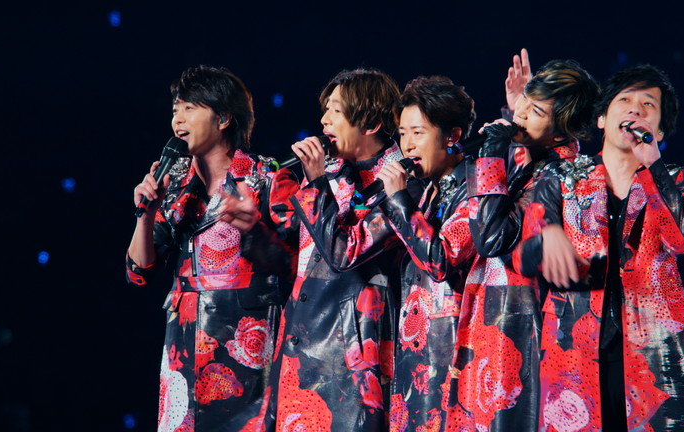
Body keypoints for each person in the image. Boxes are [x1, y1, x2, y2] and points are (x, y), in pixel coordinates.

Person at [519, 65, 684, 431]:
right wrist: (545, 236)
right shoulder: (562, 177)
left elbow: (683, 241)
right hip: (574, 353)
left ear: (659, 131)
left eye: (648, 104)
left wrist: (653, 167)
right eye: (625, 100)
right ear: (602, 118)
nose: (635, 109)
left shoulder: (676, 178)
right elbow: (525, 253)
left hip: (655, 356)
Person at [125, 66, 298, 432]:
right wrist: (147, 215)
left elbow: (294, 262)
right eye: (175, 109)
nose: (178, 119)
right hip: (183, 344)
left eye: (190, 108)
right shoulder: (174, 184)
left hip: (244, 347)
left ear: (223, 118)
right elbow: (138, 272)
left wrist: (255, 230)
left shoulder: (265, 179)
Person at [238, 68, 405, 432]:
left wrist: (315, 183)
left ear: (371, 123)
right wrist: (252, 230)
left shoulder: (399, 181)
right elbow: (294, 262)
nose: (324, 121)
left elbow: (345, 254)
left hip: (351, 356)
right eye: (325, 110)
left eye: (336, 111)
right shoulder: (331, 172)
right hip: (300, 348)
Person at [446, 51, 599, 431]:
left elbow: (491, 237)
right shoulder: (532, 158)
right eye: (525, 102)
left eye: (536, 111)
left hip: (518, 330)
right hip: (492, 319)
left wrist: (492, 154)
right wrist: (519, 109)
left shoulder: (559, 175)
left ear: (560, 133)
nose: (522, 114)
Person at [372, 76, 477, 430]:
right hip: (417, 347)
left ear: (452, 136)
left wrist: (400, 201)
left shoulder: (474, 185)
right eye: (403, 133)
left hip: (451, 350)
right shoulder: (429, 188)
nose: (407, 144)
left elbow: (441, 259)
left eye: (418, 132)